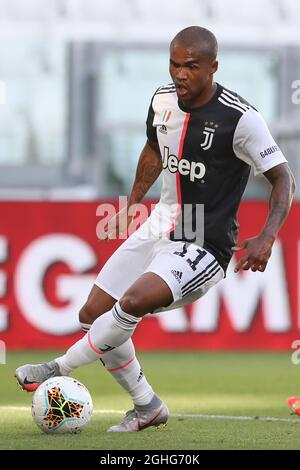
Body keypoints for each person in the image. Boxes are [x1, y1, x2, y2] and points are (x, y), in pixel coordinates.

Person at [15, 26, 296, 432]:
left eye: (191, 66)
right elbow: (153, 147)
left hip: (204, 243)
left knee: (131, 302)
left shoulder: (242, 118)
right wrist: (131, 203)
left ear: (213, 68)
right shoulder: (163, 100)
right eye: (174, 64)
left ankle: (57, 367)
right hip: (158, 226)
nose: (180, 74)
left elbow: (284, 178)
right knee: (92, 314)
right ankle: (147, 406)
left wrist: (268, 235)